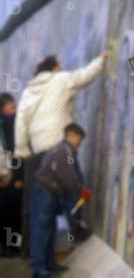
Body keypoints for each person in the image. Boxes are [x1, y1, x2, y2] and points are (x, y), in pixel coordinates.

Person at [13, 52, 108, 257]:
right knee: (72, 190)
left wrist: (22, 149)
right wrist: (100, 60)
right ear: (54, 67)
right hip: (59, 146)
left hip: (37, 151)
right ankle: (73, 233)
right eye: (59, 65)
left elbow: (20, 120)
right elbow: (84, 75)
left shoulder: (30, 90)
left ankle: (34, 252)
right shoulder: (61, 79)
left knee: (39, 203)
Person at [30, 123, 89, 278]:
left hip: (49, 192)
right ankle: (39, 268)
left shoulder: (63, 149)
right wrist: (80, 192)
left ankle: (49, 265)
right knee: (42, 230)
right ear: (72, 135)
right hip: (46, 193)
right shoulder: (64, 151)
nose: (80, 144)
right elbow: (67, 177)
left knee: (48, 230)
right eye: (80, 139)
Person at [0, 93, 23, 257]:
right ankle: (10, 248)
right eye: (12, 108)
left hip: (10, 177)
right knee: (11, 214)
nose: (15, 112)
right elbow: (14, 152)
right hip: (8, 178)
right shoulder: (9, 125)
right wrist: (17, 176)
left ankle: (9, 247)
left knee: (11, 213)